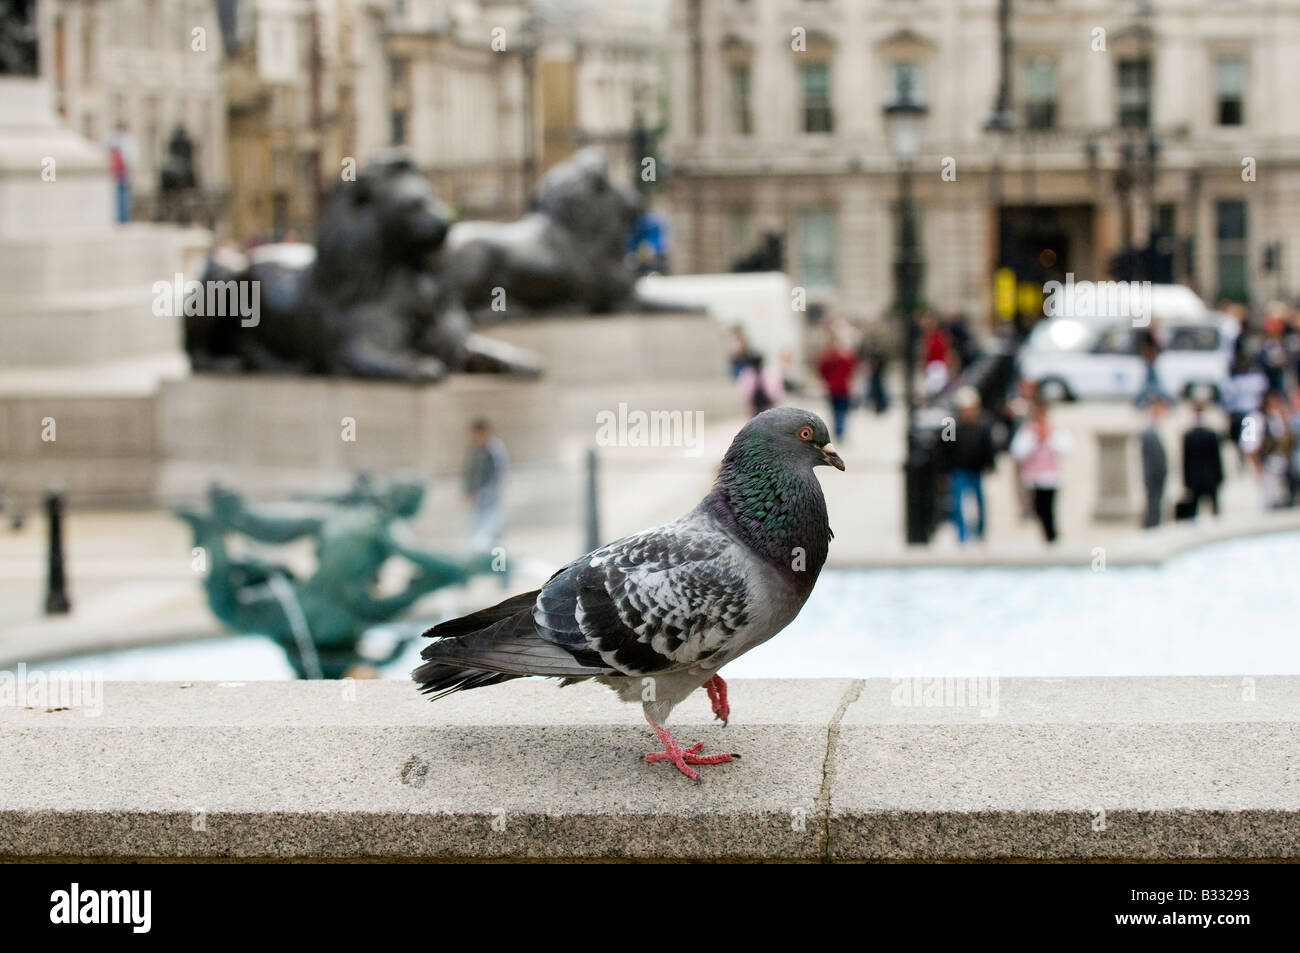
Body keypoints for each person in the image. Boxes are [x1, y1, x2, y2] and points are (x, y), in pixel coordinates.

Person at [1010, 395, 1071, 543]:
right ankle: (1047, 535)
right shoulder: (1028, 430)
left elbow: (1067, 447)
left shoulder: (1054, 429)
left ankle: (1052, 536)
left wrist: (1048, 437)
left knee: (1049, 507)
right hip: (1033, 477)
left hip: (1050, 476)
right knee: (1038, 508)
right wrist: (1034, 438)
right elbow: (1017, 451)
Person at [942, 386, 996, 543]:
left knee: (980, 502)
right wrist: (944, 472)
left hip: (976, 470)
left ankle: (979, 534)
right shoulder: (950, 425)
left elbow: (989, 447)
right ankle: (961, 536)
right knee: (958, 504)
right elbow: (945, 450)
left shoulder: (983, 425)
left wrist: (990, 464)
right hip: (958, 471)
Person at [1241, 389, 1294, 510]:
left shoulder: (1279, 417)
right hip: (1265, 466)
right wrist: (1257, 468)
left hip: (1282, 466)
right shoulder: (1255, 418)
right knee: (1265, 502)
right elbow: (1249, 447)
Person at [463, 418, 508, 556]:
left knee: (485, 539)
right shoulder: (478, 450)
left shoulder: (494, 451)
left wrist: (480, 494)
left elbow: (496, 478)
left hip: (490, 501)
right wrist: (468, 491)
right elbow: (470, 473)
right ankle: (501, 571)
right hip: (481, 501)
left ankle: (501, 571)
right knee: (492, 539)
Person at [1181, 395, 1225, 518]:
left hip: (1199, 478)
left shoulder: (1192, 435)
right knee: (1206, 510)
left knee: (1205, 510)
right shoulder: (1204, 434)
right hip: (1207, 477)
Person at [816, 331, 857, 442]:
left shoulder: (828, 356)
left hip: (834, 387)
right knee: (842, 410)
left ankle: (838, 430)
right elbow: (851, 369)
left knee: (836, 411)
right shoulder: (845, 356)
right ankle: (840, 430)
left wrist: (827, 380)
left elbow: (821, 369)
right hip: (842, 387)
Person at [1138, 394, 1169, 529]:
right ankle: (1151, 527)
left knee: (1156, 504)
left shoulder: (1155, 429)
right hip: (1153, 475)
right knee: (1153, 504)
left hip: (1157, 474)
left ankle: (1153, 525)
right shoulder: (1148, 432)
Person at [107, 121, 137, 224]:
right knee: (123, 196)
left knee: (119, 196)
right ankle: (123, 219)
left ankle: (121, 218)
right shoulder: (127, 141)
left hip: (117, 172)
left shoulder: (113, 140)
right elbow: (132, 157)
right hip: (123, 172)